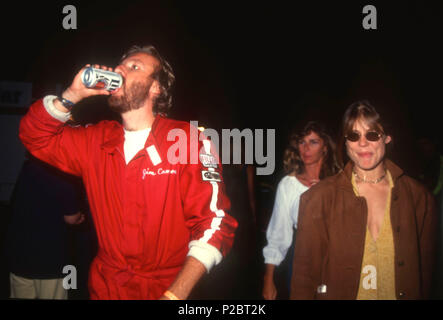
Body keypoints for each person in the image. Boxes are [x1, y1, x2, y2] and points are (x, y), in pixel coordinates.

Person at [19, 45, 237, 300]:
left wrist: (174, 295)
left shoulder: (188, 141)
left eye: (135, 67)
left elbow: (216, 224)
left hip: (164, 288)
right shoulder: (96, 139)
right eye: (120, 66)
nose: (120, 70)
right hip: (106, 289)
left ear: (156, 87)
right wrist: (72, 94)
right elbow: (34, 136)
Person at [290, 100, 437, 300]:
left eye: (372, 134)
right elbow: (304, 281)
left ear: (387, 137)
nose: (362, 143)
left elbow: (425, 276)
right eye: (353, 135)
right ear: (346, 141)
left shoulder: (419, 199)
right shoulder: (318, 199)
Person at [262, 121, 339, 300]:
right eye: (302, 142)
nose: (306, 148)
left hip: (338, 262)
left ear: (325, 147)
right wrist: (268, 278)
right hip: (303, 262)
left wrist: (326, 192)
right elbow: (278, 234)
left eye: (313, 142)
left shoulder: (340, 182)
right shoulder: (288, 185)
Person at [5, 154, 85, 299]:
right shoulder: (62, 171)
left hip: (19, 258)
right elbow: (71, 217)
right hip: (51, 262)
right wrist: (81, 217)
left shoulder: (27, 168)